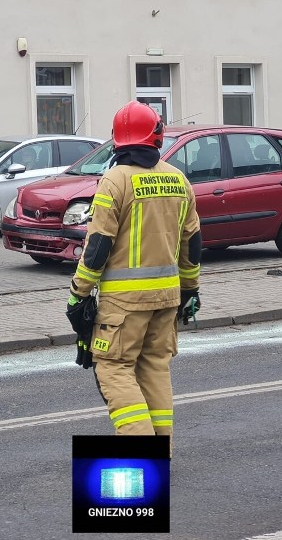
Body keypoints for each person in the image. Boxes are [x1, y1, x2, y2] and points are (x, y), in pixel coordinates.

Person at [67, 101, 201, 451]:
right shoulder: (177, 179)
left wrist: (78, 292)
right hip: (168, 298)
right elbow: (193, 243)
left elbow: (97, 245)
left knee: (114, 369)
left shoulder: (115, 180)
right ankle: (162, 450)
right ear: (155, 137)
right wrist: (190, 290)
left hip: (123, 305)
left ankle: (140, 454)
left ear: (117, 141)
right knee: (155, 368)